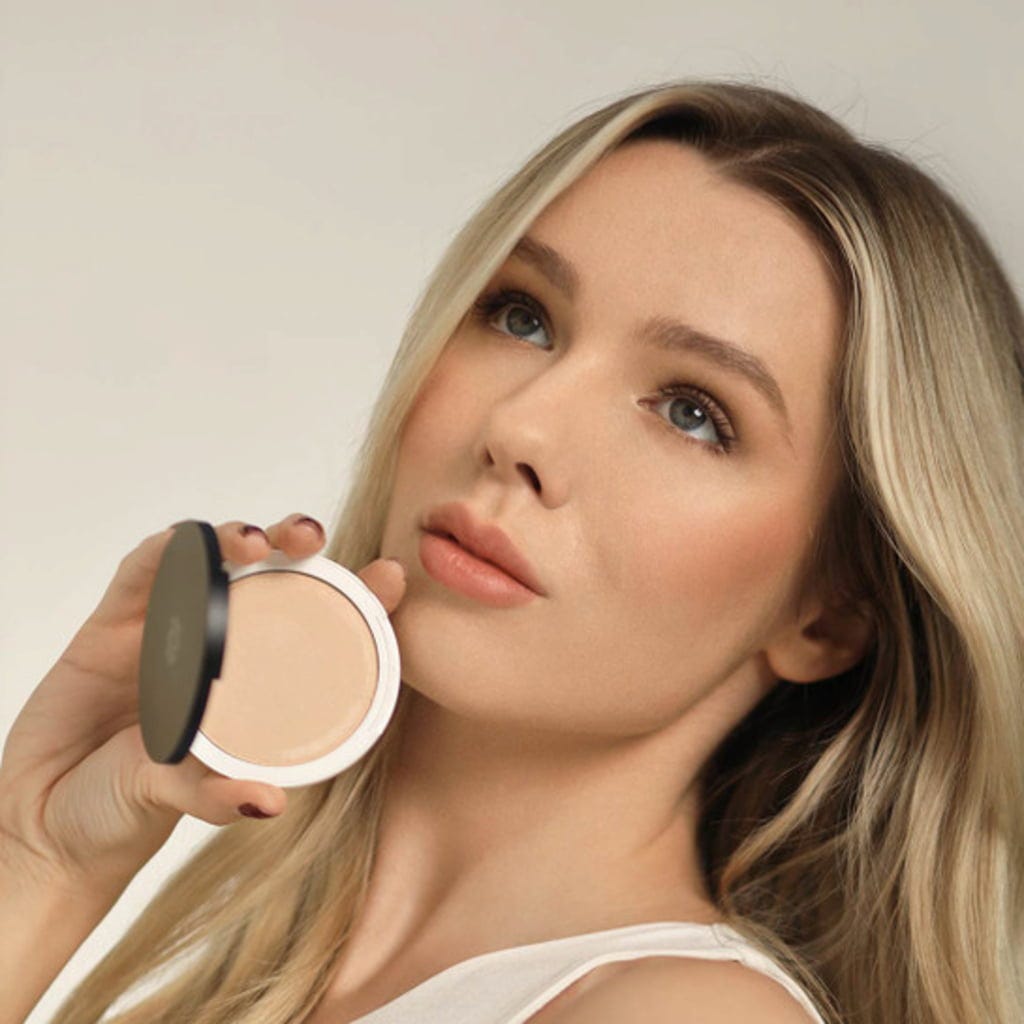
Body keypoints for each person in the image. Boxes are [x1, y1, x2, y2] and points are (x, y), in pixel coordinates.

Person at [1, 77, 1022, 1024]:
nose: (520, 427)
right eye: (522, 317)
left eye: (692, 412)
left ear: (829, 616)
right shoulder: (261, 973)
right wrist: (38, 858)